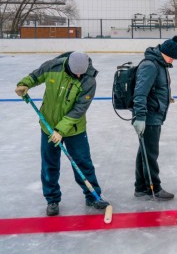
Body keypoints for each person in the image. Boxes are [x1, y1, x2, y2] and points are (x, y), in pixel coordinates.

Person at [15, 52, 110, 216]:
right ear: (68, 66)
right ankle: (52, 199)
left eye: (82, 72)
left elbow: (80, 109)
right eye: (76, 72)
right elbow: (35, 76)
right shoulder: (53, 66)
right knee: (50, 164)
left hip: (74, 129)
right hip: (48, 127)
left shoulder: (89, 80)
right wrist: (24, 84)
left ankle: (93, 195)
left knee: (82, 162)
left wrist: (60, 130)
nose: (79, 75)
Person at [132, 36, 177, 200]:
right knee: (151, 153)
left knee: (144, 152)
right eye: (171, 57)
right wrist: (140, 117)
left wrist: (166, 99)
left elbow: (157, 89)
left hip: (154, 113)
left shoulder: (160, 64)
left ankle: (140, 187)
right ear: (164, 53)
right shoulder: (150, 66)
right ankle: (155, 188)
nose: (172, 60)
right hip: (148, 117)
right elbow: (140, 93)